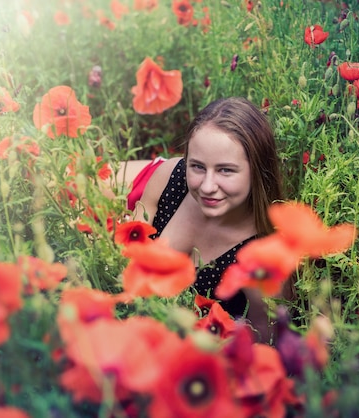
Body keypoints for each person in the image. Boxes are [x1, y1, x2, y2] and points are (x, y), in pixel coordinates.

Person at [121, 97, 285, 343]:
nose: (207, 187)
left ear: (257, 170)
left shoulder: (261, 256)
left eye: (225, 170)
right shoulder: (169, 178)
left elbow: (268, 343)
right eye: (197, 166)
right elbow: (126, 253)